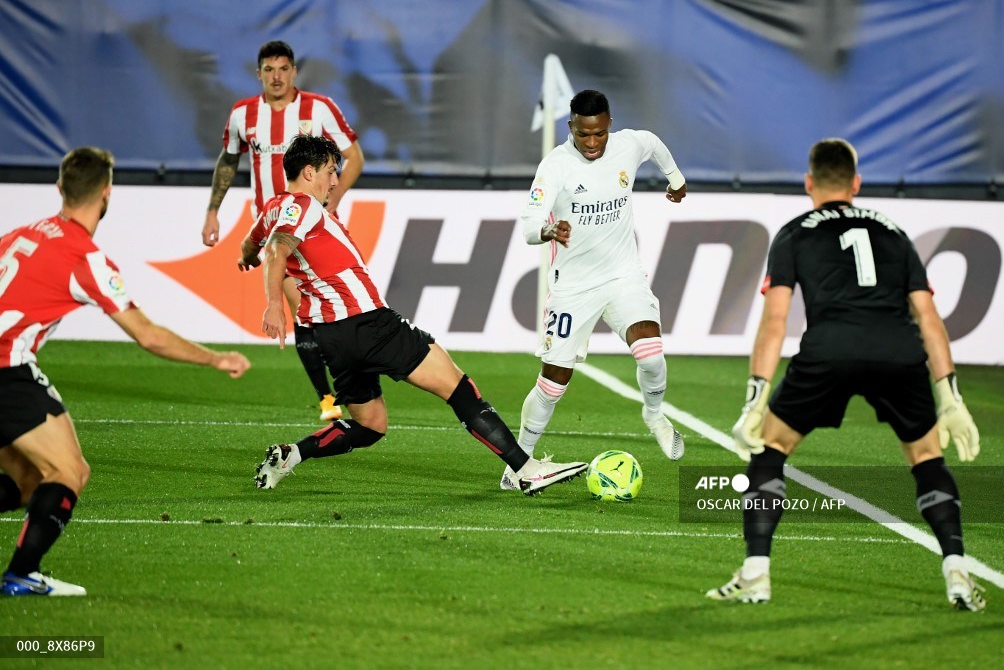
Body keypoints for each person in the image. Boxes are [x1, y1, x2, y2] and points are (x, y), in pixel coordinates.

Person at [707, 138, 985, 611]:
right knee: (925, 454)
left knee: (770, 446)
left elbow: (776, 322)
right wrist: (951, 395)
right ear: (855, 183)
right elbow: (929, 317)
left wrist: (756, 395)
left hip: (830, 349)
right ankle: (957, 568)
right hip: (898, 350)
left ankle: (756, 572)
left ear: (809, 182)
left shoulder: (794, 232)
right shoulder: (894, 233)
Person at [239, 134, 587, 496]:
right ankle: (526, 470)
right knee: (459, 388)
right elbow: (278, 248)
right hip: (366, 322)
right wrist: (275, 304)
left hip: (333, 338)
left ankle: (291, 455)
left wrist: (247, 257)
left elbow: (254, 243)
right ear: (309, 172)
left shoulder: (273, 209)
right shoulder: (304, 206)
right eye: (330, 170)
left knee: (370, 426)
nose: (336, 179)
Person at [0, 147, 251, 597]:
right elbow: (148, 336)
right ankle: (21, 575)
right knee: (68, 471)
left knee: (27, 482)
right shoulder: (85, 257)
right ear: (107, 194)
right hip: (6, 368)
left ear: (60, 188)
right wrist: (215, 359)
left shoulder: (20, 234)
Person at [503, 89, 687, 490]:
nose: (591, 143)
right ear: (571, 127)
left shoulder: (627, 145)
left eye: (599, 134)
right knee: (553, 384)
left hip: (623, 276)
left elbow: (654, 143)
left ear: (609, 126)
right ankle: (518, 462)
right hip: (574, 287)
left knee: (651, 354)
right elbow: (528, 222)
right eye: (583, 134)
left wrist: (676, 179)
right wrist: (549, 229)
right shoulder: (555, 166)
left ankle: (654, 415)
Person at [201, 39, 364, 422]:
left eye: (283, 68)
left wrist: (334, 201)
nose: (277, 77)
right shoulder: (243, 114)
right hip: (278, 233)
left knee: (339, 311)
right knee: (303, 315)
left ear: (294, 72)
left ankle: (353, 383)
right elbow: (228, 160)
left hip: (320, 228)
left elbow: (353, 156)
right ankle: (327, 399)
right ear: (259, 74)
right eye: (269, 70)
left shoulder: (319, 108)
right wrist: (213, 210)